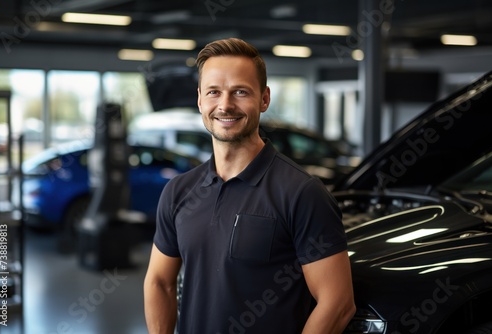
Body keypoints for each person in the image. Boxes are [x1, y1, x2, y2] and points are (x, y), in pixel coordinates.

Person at [144, 37, 356, 334]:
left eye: (240, 92)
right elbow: (159, 282)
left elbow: (338, 303)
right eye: (213, 92)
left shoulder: (302, 192)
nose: (225, 105)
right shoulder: (179, 192)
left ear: (264, 98)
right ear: (200, 100)